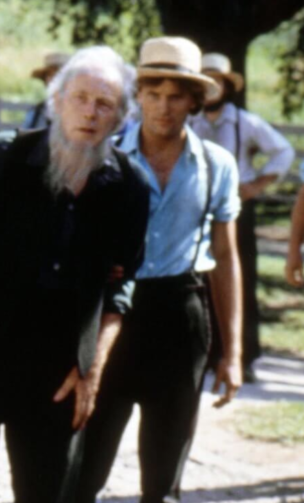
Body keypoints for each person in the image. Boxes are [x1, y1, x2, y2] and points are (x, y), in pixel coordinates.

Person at [0, 46, 150, 503]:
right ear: (57, 100)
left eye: (104, 104)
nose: (90, 112)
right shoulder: (1, 158)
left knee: (48, 491)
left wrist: (93, 367)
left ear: (122, 116)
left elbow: (122, 284)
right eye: (81, 97)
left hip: (58, 370)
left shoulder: (129, 186)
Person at [77, 37, 243, 503]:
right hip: (112, 314)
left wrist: (232, 352)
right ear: (138, 95)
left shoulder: (216, 165)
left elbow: (227, 258)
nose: (163, 108)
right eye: (153, 94)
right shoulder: (102, 156)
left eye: (175, 96)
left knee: (164, 472)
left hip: (180, 313)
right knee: (86, 462)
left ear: (195, 101)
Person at [189, 52, 294, 383]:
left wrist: (256, 185)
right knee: (199, 279)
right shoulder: (189, 120)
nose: (212, 90)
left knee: (238, 277)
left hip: (234, 207)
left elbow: (283, 150)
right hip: (195, 206)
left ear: (227, 87)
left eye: (217, 83)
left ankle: (243, 357)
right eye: (206, 83)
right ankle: (203, 354)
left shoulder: (243, 121)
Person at [22, 51, 69, 130]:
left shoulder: (77, 112)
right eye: (50, 75)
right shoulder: (36, 112)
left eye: (58, 75)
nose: (53, 80)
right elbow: (25, 138)